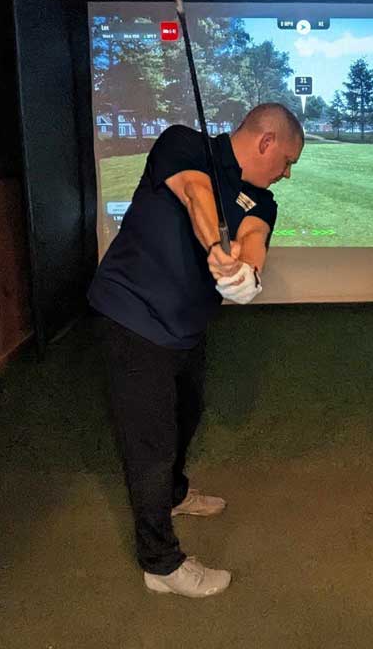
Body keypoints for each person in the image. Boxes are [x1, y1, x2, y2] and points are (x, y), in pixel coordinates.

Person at [89, 102, 304, 598]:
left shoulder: (263, 200)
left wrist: (246, 274)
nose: (287, 174)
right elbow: (195, 193)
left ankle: (174, 494)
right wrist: (215, 247)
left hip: (184, 328)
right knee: (151, 442)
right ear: (266, 142)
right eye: (287, 160)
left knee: (189, 412)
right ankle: (160, 564)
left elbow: (254, 240)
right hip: (131, 315)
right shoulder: (184, 143)